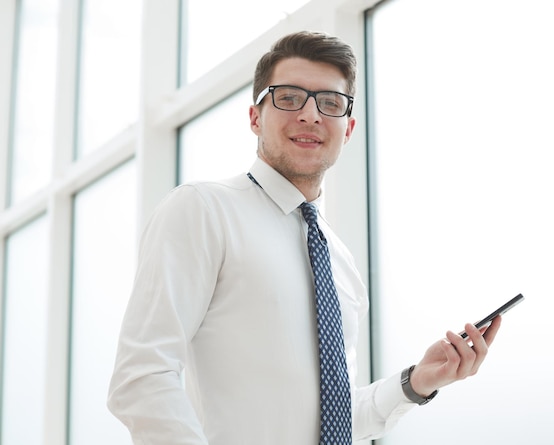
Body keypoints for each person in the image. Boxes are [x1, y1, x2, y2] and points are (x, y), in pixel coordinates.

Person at [107, 30, 501, 444]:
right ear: (255, 117)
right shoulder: (202, 210)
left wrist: (416, 382)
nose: (311, 115)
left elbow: (333, 416)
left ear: (347, 129)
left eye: (329, 103)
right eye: (290, 97)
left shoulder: (340, 261)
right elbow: (141, 376)